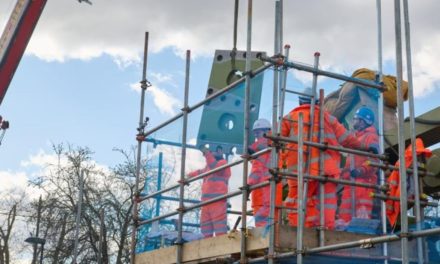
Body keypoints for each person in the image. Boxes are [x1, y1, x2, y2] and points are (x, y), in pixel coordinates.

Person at [281, 87, 363, 230]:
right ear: (319, 102)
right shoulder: (328, 118)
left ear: (300, 101)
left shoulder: (289, 118)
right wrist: (365, 147)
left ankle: (299, 231)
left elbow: (274, 141)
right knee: (327, 204)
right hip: (327, 170)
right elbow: (347, 139)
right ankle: (326, 232)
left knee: (298, 203)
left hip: (300, 171)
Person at [338, 106, 379, 224]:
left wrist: (361, 170)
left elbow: (375, 160)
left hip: (363, 183)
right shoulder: (355, 138)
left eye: (356, 118)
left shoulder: (371, 137)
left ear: (362, 121)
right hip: (350, 183)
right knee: (344, 217)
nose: (354, 121)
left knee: (362, 217)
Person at [386, 138, 432, 228]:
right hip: (397, 198)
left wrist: (417, 197)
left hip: (403, 198)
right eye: (418, 154)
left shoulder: (412, 167)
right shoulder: (403, 162)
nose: (420, 158)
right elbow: (404, 188)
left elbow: (412, 188)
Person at [188, 145, 231, 238]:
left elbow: (213, 166)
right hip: (206, 203)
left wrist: (207, 153)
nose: (211, 153)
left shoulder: (223, 163)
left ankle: (222, 248)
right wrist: (188, 176)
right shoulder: (208, 167)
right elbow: (199, 172)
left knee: (220, 230)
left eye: (213, 151)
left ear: (220, 152)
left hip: (217, 202)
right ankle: (207, 250)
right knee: (205, 231)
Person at [247, 119, 283, 227]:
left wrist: (248, 185)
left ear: (266, 131)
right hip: (272, 196)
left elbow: (257, 171)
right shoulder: (274, 147)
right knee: (273, 228)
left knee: (262, 228)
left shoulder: (262, 149)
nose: (256, 136)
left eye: (258, 132)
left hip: (263, 196)